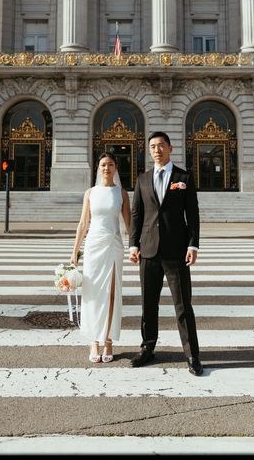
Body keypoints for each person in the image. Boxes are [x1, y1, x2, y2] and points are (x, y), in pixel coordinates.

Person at [129, 131, 203, 376]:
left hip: (176, 251)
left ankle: (192, 354)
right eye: (152, 147)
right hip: (149, 251)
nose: (157, 150)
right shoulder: (142, 179)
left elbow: (192, 215)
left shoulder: (184, 177)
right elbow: (137, 215)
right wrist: (133, 245)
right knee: (149, 304)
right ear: (149, 151)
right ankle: (147, 348)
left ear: (170, 148)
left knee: (183, 305)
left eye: (161, 145)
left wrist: (193, 245)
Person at [70, 152, 131, 363]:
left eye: (111, 164)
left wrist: (135, 247)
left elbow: (129, 224)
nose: (107, 168)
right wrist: (74, 252)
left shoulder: (121, 193)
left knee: (112, 293)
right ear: (98, 168)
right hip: (93, 246)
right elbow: (83, 223)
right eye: (103, 165)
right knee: (93, 293)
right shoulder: (90, 193)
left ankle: (109, 340)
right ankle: (94, 340)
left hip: (113, 245)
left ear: (116, 168)